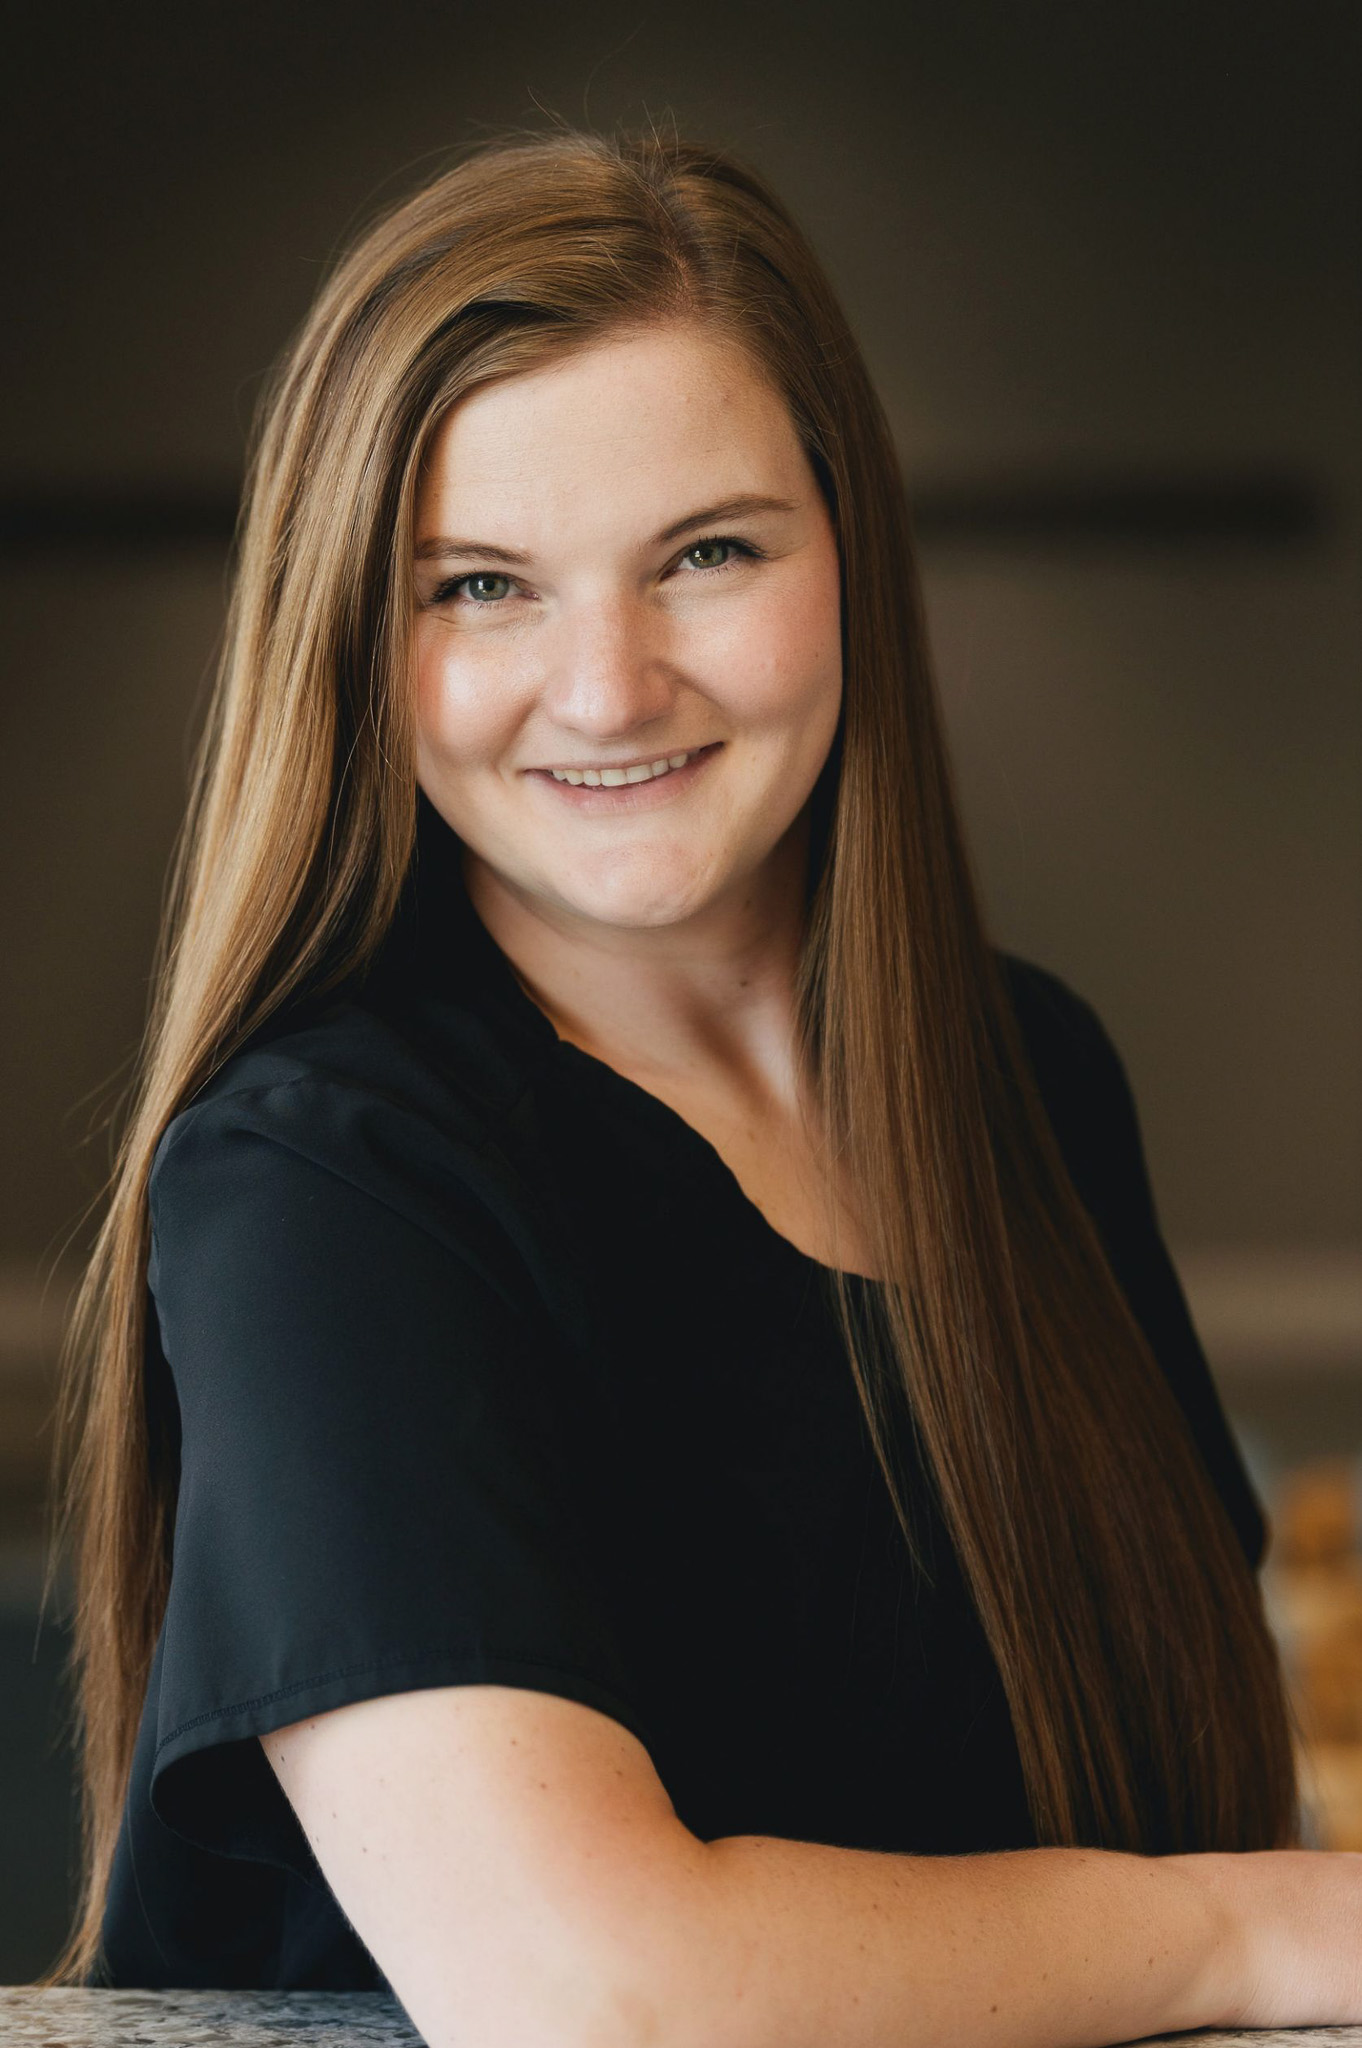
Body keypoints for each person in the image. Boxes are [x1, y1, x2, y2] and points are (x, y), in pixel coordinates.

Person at [37, 127, 1362, 2044]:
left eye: (707, 554)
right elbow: (583, 1991)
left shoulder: (1032, 1079)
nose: (605, 686)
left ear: (851, 556)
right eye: (478, 586)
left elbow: (1179, 1780)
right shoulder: (325, 1177)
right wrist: (1242, 1931)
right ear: (352, 640)